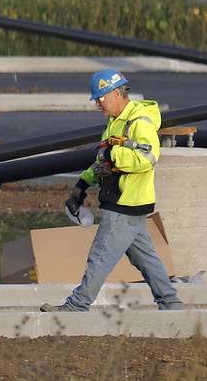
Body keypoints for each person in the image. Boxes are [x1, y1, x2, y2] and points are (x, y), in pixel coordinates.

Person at [41, 69, 183, 313]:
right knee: (146, 259)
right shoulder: (115, 123)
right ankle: (172, 304)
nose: (97, 103)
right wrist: (81, 187)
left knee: (100, 256)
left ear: (117, 93)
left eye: (101, 97)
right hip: (128, 202)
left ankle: (77, 306)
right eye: (96, 99)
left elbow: (148, 158)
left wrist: (112, 153)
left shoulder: (140, 121)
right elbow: (103, 163)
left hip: (125, 203)